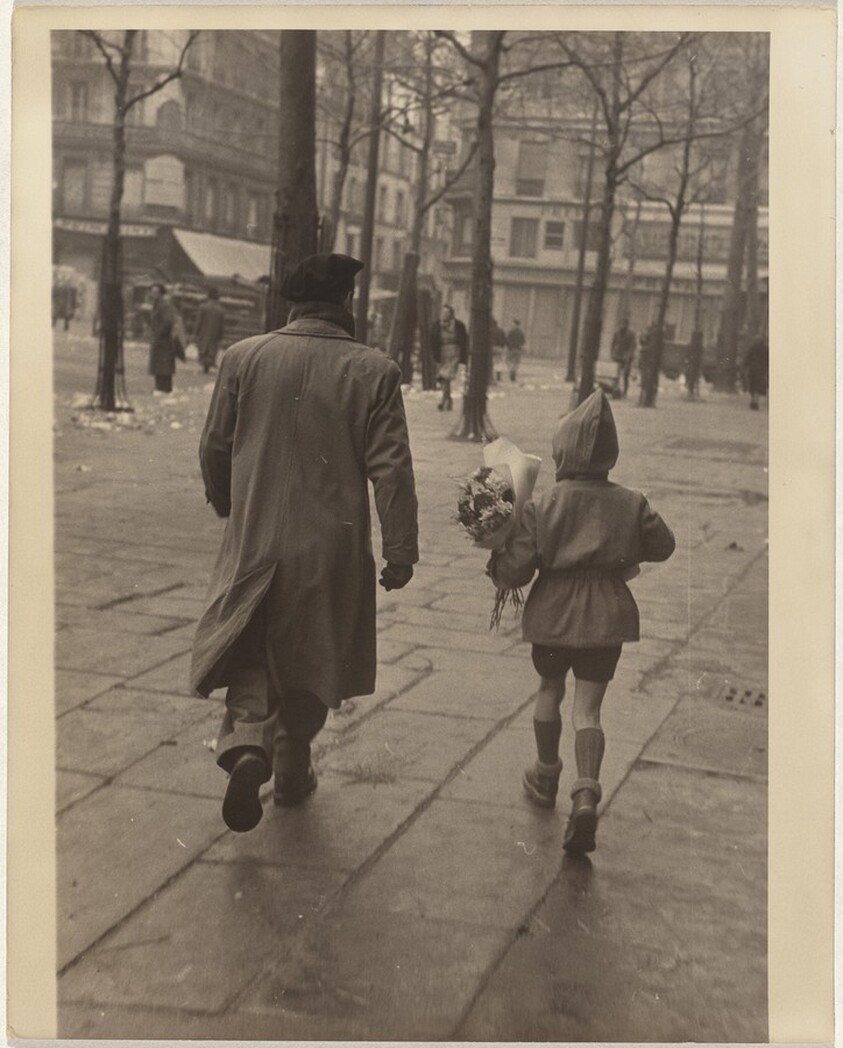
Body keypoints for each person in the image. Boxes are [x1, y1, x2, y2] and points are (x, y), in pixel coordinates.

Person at [190, 253, 419, 833]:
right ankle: (293, 764)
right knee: (315, 658)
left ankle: (247, 747)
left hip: (256, 541)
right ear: (346, 303)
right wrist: (400, 550)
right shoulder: (374, 371)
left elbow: (214, 446)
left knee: (252, 650)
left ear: (290, 302)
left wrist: (229, 505)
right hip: (330, 549)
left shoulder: (244, 357)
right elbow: (391, 469)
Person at [487, 390, 675, 854]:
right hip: (605, 620)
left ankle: (546, 775)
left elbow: (517, 568)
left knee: (550, 690)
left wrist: (497, 556)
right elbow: (664, 545)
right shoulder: (630, 501)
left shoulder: (543, 505)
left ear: (562, 451)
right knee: (589, 709)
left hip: (552, 617)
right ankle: (587, 790)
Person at [430, 304, 468, 411]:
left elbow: (464, 340)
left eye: (447, 312)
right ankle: (448, 399)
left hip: (454, 353)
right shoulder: (437, 325)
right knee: (443, 379)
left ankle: (443, 401)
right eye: (443, 312)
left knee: (445, 376)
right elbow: (432, 339)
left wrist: (463, 357)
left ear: (451, 314)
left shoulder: (458, 325)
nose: (444, 314)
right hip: (442, 353)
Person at [148, 282, 179, 394]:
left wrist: (159, 334)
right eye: (152, 291)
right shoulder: (157, 303)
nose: (153, 294)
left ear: (161, 292)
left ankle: (164, 388)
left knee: (163, 365)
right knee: (160, 364)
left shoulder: (163, 304)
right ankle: (160, 387)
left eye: (156, 292)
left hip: (163, 340)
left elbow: (167, 322)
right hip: (160, 338)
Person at [194, 286, 226, 373]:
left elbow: (198, 322)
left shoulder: (203, 307)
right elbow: (222, 325)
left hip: (203, 332)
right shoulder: (221, 310)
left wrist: (196, 333)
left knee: (203, 348)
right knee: (212, 349)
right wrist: (222, 336)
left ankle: (205, 365)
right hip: (215, 333)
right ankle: (209, 364)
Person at [610, 315, 637, 398]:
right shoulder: (617, 333)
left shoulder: (631, 334)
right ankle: (615, 390)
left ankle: (625, 391)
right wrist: (612, 353)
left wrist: (628, 355)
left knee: (625, 374)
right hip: (617, 356)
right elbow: (613, 344)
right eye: (621, 324)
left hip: (627, 357)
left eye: (624, 324)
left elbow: (633, 346)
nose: (622, 326)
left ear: (627, 325)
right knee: (615, 375)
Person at [742, 335, 768, 410]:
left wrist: (745, 365)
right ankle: (755, 401)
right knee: (758, 386)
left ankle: (753, 400)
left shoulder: (752, 348)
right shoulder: (765, 349)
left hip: (752, 369)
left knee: (752, 385)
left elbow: (747, 357)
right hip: (761, 370)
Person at [685, 328, 704, 400]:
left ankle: (690, 391)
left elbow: (687, 354)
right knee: (695, 378)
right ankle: (694, 392)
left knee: (691, 377)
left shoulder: (691, 345)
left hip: (691, 363)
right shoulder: (700, 346)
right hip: (695, 364)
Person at [490, 317, 508, 384]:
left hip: (490, 348)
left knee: (489, 362)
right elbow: (505, 339)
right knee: (498, 363)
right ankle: (498, 376)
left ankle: (490, 375)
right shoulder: (501, 330)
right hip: (498, 348)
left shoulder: (489, 330)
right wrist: (503, 346)